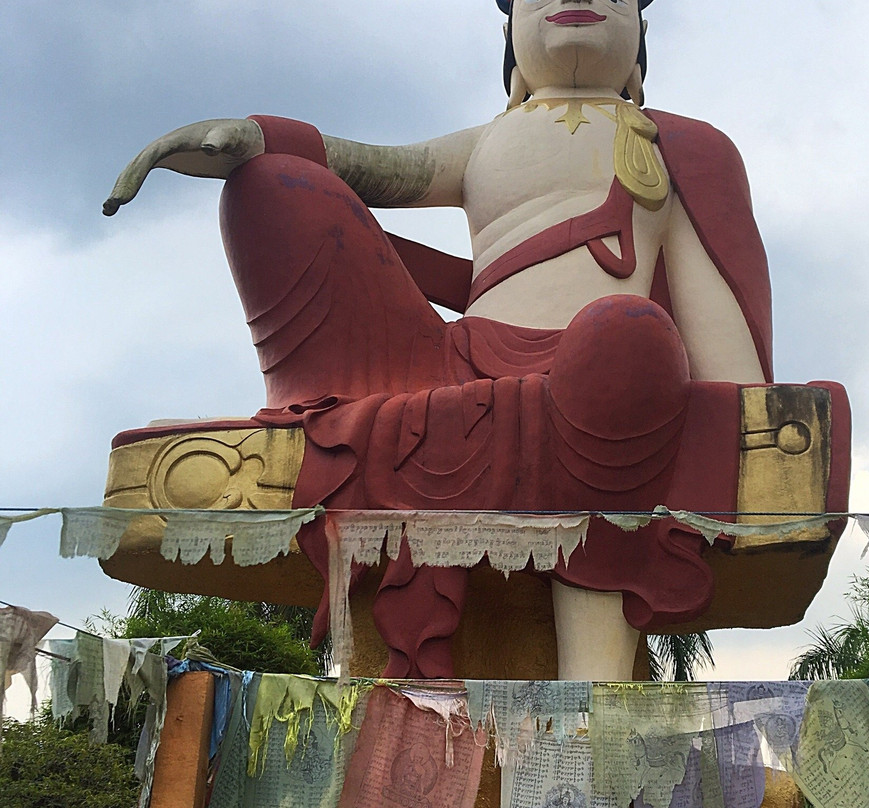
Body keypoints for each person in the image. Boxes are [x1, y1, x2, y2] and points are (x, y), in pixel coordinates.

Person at [104, 0, 776, 681]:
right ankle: (304, 408)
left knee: (628, 335)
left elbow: (719, 301)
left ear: (641, 36)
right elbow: (372, 166)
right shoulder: (487, 141)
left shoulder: (682, 147)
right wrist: (259, 137)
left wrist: (752, 419)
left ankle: (591, 688)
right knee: (277, 185)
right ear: (510, 36)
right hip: (448, 363)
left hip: (606, 373)